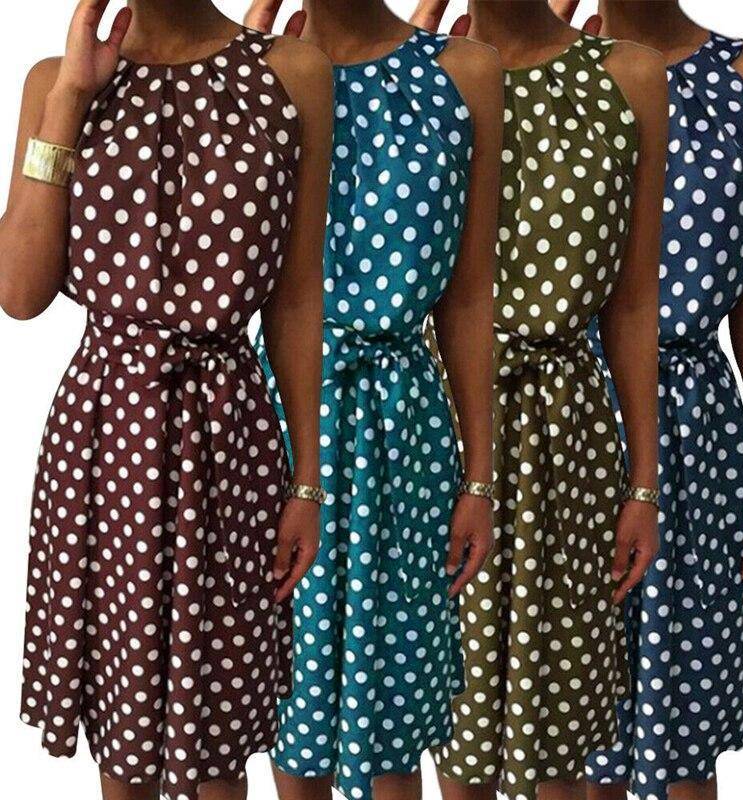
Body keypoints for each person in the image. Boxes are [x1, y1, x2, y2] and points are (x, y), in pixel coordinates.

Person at [0, 1, 333, 798]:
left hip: (231, 435)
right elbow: (19, 292)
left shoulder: (292, 73)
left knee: (219, 734)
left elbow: (295, 298)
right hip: (106, 438)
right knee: (123, 736)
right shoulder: (54, 82)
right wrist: (69, 101)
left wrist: (307, 482)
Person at [244, 2, 502, 799]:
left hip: (406, 428)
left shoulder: (463, 71)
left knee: (395, 709)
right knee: (291, 701)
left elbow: (469, 297)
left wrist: (480, 477)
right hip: (282, 419)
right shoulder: (259, 68)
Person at [411, 2, 664, 800]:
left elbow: (634, 303)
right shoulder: (426, 72)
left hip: (570, 436)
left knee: (560, 733)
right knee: (450, 728)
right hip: (440, 427)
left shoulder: (629, 76)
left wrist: (644, 486)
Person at [583, 4, 743, 800]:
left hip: (696, 438)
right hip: (565, 416)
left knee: (683, 738)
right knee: (569, 732)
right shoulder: (534, 72)